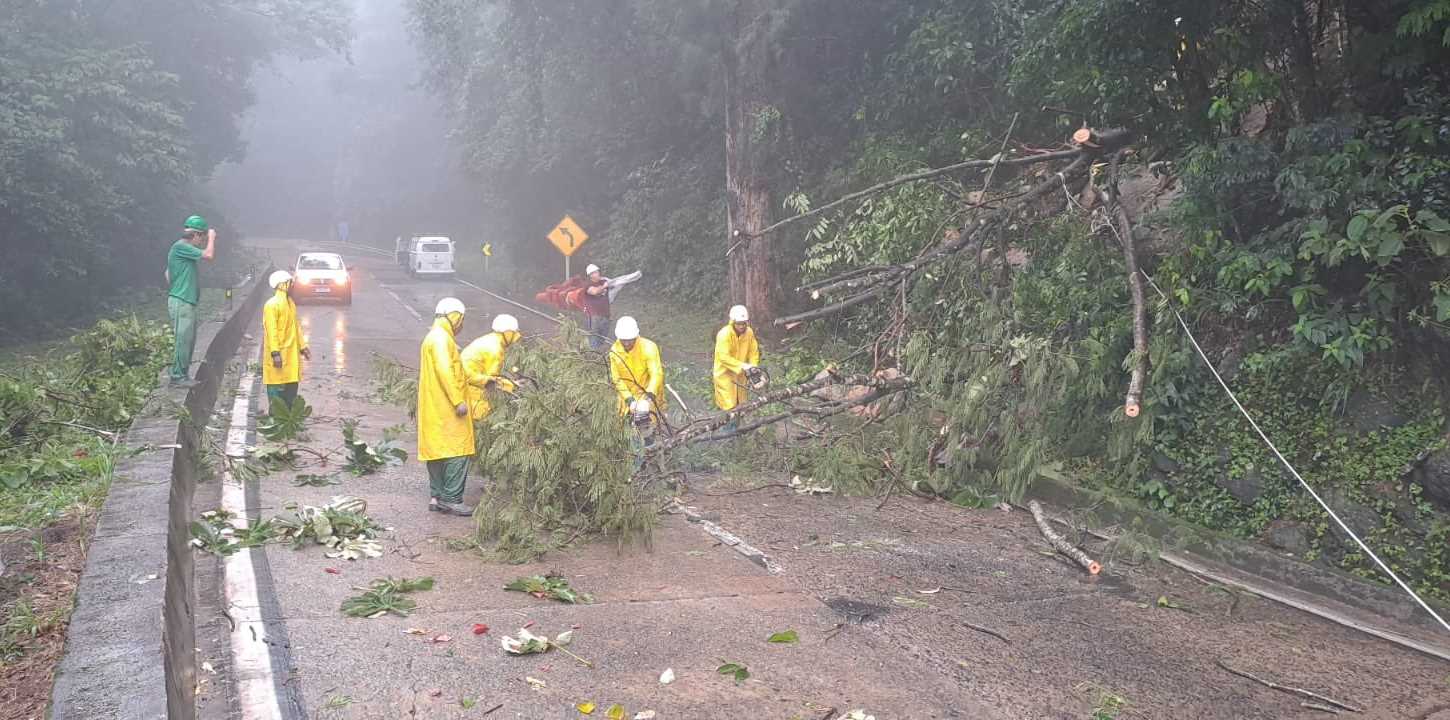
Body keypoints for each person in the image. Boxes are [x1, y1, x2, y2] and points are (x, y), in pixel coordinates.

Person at [417, 298, 476, 516]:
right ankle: (452, 499)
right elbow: (445, 370)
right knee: (457, 451)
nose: (461, 324)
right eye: (461, 319)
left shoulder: (433, 337)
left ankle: (437, 496)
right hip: (447, 408)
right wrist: (457, 400)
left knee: (437, 452)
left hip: (435, 407)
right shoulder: (442, 339)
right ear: (454, 316)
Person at [165, 215, 216, 387]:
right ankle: (177, 377)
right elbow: (209, 255)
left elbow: (167, 273)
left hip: (186, 300)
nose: (202, 242)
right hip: (181, 300)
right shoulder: (182, 246)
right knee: (183, 339)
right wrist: (212, 238)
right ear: (196, 234)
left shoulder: (181, 250)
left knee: (189, 339)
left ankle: (183, 375)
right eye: (202, 238)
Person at [261, 271, 309, 414]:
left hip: (291, 356)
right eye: (291, 283)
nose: (293, 286)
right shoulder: (271, 305)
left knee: (291, 387)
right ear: (283, 285)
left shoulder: (291, 304)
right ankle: (276, 419)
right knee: (276, 389)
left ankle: (287, 419)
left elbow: (296, 326)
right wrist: (275, 353)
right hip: (279, 356)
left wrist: (303, 346)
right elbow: (271, 331)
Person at [460, 314, 520, 421]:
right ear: (507, 333)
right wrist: (513, 387)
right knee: (483, 413)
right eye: (514, 333)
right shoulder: (495, 349)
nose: (516, 336)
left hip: (465, 380)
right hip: (472, 385)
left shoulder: (491, 339)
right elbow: (492, 382)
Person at [607, 316, 665, 417]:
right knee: (625, 421)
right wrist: (629, 399)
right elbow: (617, 379)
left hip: (648, 392)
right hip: (627, 394)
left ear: (636, 335)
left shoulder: (649, 347)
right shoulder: (615, 352)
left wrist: (649, 396)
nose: (627, 343)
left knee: (651, 421)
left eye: (630, 339)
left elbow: (656, 374)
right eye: (623, 340)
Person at [713, 305, 761, 415]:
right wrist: (742, 366)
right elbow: (723, 357)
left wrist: (753, 367)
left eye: (744, 323)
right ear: (733, 322)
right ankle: (727, 431)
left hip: (741, 377)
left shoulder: (749, 333)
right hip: (725, 376)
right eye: (739, 323)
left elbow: (754, 352)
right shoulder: (724, 334)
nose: (742, 326)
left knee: (741, 406)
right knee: (728, 409)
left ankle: (739, 430)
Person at [581, 264, 611, 351]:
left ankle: (597, 352)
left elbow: (613, 285)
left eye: (598, 272)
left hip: (605, 315)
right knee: (594, 336)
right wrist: (604, 286)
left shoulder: (603, 281)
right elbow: (594, 291)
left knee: (603, 336)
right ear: (590, 275)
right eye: (595, 273)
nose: (598, 274)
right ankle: (593, 353)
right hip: (594, 316)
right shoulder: (587, 285)